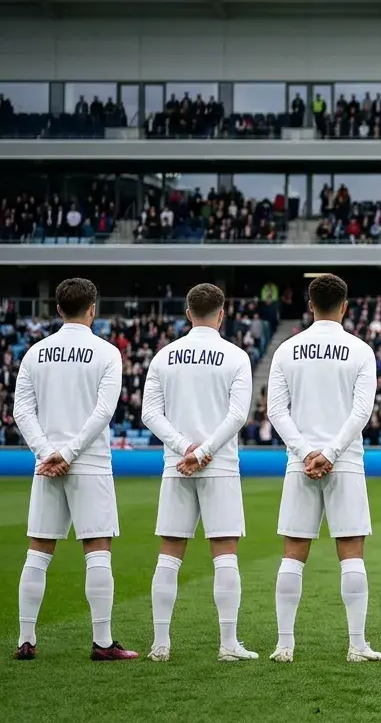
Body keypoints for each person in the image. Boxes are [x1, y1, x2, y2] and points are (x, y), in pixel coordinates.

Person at [12, 277, 137, 661]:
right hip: (90, 463)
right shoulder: (106, 352)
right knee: (97, 549)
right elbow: (104, 411)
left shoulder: (36, 352)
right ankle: (102, 643)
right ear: (93, 308)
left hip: (46, 464)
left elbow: (21, 410)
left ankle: (26, 639)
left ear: (58, 309)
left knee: (38, 550)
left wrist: (46, 452)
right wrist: (68, 452)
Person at [266, 274, 380, 663]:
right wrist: (330, 452)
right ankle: (356, 644)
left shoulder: (286, 349)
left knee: (293, 553)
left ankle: (284, 644)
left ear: (310, 304)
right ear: (345, 306)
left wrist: (304, 451)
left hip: (300, 463)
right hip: (344, 460)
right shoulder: (360, 350)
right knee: (351, 553)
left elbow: (275, 411)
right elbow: (361, 412)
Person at [140, 283, 256, 663]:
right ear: (221, 313)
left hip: (177, 465)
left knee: (169, 553)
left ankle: (160, 644)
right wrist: (204, 451)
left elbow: (149, 414)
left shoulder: (164, 356)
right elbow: (238, 416)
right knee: (224, 553)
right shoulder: (236, 356)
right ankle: (227, 644)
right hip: (218, 465)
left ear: (189, 313)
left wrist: (183, 447)